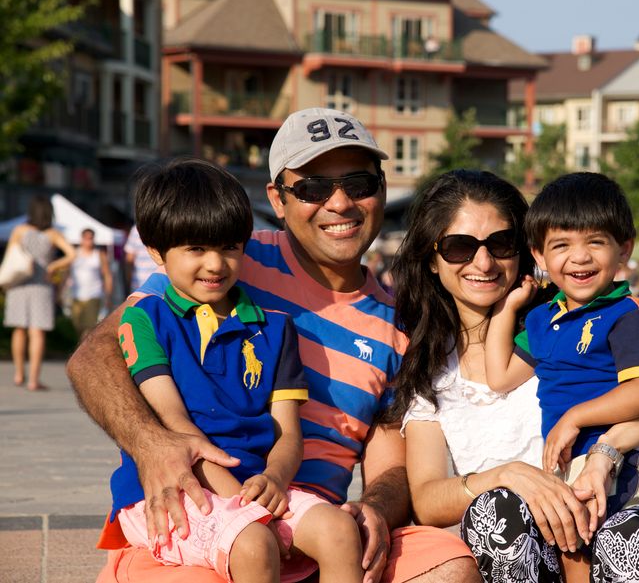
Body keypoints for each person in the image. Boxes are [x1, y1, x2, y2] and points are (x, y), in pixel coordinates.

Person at [67, 108, 477, 583]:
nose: (339, 203)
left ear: (381, 191)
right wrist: (152, 443)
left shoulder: (400, 325)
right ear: (278, 200)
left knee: (449, 567)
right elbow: (95, 355)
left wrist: (375, 511)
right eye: (313, 188)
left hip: (315, 523)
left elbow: (389, 464)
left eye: (359, 183)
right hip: (204, 508)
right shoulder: (224, 256)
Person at [388, 170, 639, 583]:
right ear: (432, 259)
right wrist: (506, 476)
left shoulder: (573, 314)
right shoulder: (430, 365)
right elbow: (429, 500)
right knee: (495, 511)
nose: (482, 263)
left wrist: (607, 448)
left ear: (524, 252)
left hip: (609, 515)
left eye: (500, 244)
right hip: (521, 548)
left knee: (633, 541)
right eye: (459, 247)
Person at [103, 157, 363, 582]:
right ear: (156, 253)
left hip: (252, 484)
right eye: (195, 249)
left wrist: (276, 478)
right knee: (254, 542)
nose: (215, 264)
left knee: (338, 530)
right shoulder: (146, 319)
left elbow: (287, 432)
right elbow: (176, 427)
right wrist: (247, 507)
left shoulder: (275, 328)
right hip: (178, 487)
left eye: (228, 247)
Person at [483, 173, 639, 528]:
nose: (579, 257)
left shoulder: (627, 316)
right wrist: (506, 309)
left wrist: (575, 417)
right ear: (539, 254)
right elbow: (500, 377)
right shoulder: (542, 319)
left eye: (596, 242)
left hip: (619, 461)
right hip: (563, 463)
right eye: (561, 245)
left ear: (624, 249)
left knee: (612, 543)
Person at [4, 195, 76, 390]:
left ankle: (19, 373)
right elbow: (72, 254)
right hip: (41, 286)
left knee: (19, 329)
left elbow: (11, 254)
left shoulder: (19, 230)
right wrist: (53, 265)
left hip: (19, 283)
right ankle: (33, 380)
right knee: (37, 333)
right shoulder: (53, 234)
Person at [68, 228, 113, 339]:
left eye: (91, 238)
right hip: (77, 295)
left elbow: (107, 275)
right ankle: (82, 349)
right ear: (81, 239)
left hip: (94, 294)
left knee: (89, 326)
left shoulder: (99, 254)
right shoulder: (74, 254)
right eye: (86, 238)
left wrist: (108, 295)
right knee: (77, 325)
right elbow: (66, 274)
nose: (89, 241)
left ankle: (83, 353)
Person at [124, 223, 158, 293]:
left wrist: (128, 280)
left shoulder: (136, 229)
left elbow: (129, 258)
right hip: (160, 283)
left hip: (139, 284)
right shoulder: (161, 226)